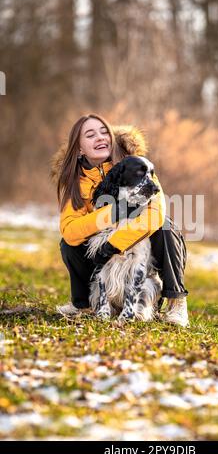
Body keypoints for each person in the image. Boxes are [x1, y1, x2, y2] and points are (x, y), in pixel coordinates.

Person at [51, 114, 189, 327]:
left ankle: (176, 302)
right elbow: (69, 229)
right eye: (90, 134)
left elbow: (155, 214)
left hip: (131, 249)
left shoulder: (137, 164)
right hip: (98, 255)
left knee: (166, 227)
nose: (100, 137)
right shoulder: (74, 180)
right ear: (79, 148)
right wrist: (113, 213)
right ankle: (83, 304)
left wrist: (114, 244)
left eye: (104, 131)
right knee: (68, 244)